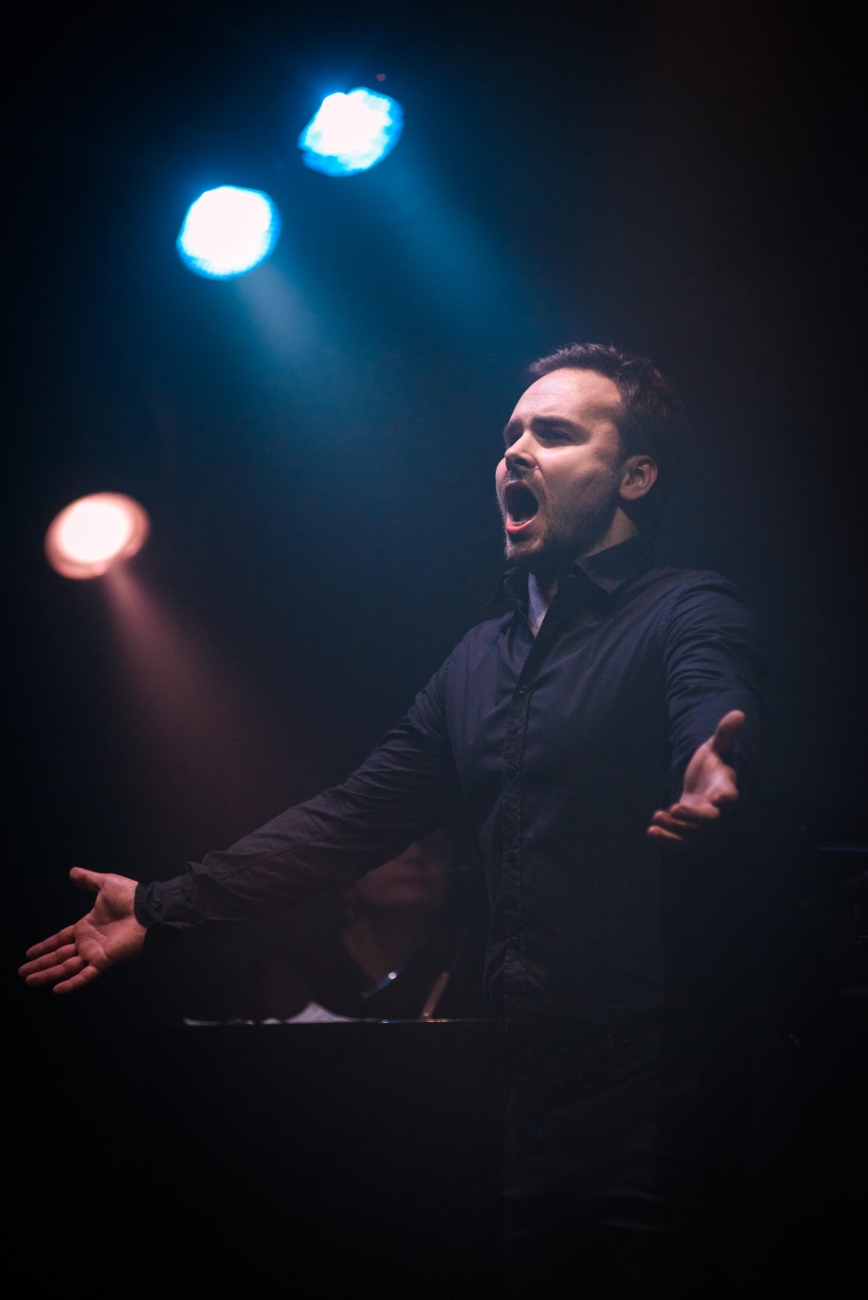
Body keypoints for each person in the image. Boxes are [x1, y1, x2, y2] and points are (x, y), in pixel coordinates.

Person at [20, 344, 765, 1296]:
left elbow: (712, 697)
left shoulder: (686, 608)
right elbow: (351, 818)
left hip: (669, 1084)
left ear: (635, 476)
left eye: (553, 433)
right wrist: (161, 908)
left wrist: (710, 764)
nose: (515, 451)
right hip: (530, 1092)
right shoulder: (476, 662)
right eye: (510, 434)